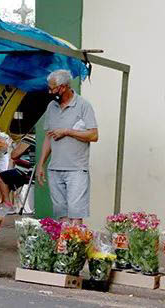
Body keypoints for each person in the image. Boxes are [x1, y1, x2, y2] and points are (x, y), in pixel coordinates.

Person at [36, 69, 99, 225]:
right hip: (55, 169)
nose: (50, 92)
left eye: (52, 88)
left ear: (63, 87)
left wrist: (67, 131)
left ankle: (75, 247)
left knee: (76, 214)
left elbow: (93, 135)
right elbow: (48, 137)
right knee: (61, 215)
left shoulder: (83, 106)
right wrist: (41, 165)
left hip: (76, 169)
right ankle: (64, 247)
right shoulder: (52, 107)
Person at [0, 134, 35, 210]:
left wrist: (17, 145)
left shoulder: (28, 139)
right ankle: (7, 203)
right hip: (31, 171)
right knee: (8, 179)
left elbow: (13, 155)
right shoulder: (39, 138)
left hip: (26, 172)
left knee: (1, 177)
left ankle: (7, 204)